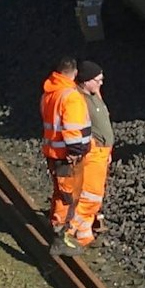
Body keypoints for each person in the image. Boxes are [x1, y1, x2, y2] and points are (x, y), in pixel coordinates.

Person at [40, 56, 89, 236]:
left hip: (52, 151)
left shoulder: (49, 93)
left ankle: (56, 224)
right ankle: (60, 232)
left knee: (59, 191)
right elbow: (72, 128)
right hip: (66, 155)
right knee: (67, 194)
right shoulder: (71, 96)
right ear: (74, 72)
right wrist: (75, 151)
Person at [65, 61, 111, 251]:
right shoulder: (79, 100)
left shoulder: (93, 96)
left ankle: (83, 236)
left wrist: (108, 150)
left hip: (102, 153)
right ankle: (69, 233)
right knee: (89, 197)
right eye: (98, 80)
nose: (101, 83)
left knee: (93, 198)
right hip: (93, 154)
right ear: (86, 81)